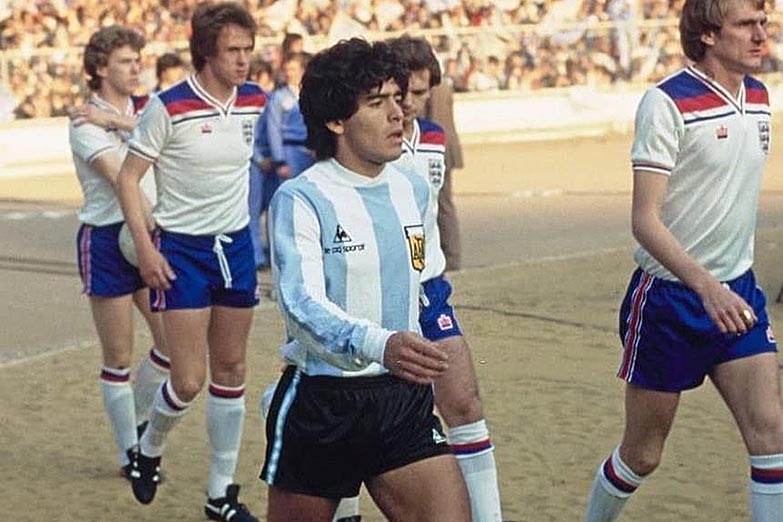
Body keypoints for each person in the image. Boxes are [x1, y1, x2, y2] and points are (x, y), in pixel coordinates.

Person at [585, 1, 783, 520]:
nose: (761, 34)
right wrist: (705, 287)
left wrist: (724, 287)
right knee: (643, 455)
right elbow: (644, 220)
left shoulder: (759, 97)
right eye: (747, 25)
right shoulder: (666, 102)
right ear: (708, 35)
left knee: (771, 437)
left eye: (763, 23)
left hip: (738, 294)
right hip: (670, 302)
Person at [260, 37, 471, 522]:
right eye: (376, 103)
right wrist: (380, 343)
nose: (398, 113)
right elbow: (301, 304)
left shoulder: (413, 186)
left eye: (398, 98)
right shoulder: (301, 198)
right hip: (324, 403)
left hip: (401, 398)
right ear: (336, 120)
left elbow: (425, 280)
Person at [116, 3, 265, 521]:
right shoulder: (169, 107)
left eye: (248, 49)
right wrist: (146, 248)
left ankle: (220, 494)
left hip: (237, 248)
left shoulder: (255, 101)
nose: (243, 60)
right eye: (232, 50)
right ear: (205, 52)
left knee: (233, 368)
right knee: (186, 381)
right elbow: (128, 179)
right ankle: (149, 447)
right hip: (181, 252)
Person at [68, 25, 169, 481]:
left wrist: (123, 124)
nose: (136, 68)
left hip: (147, 233)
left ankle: (139, 417)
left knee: (171, 347)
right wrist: (153, 230)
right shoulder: (83, 123)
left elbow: (173, 145)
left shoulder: (147, 110)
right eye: (125, 61)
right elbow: (117, 176)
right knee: (119, 356)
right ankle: (131, 453)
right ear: (100, 68)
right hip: (110, 239)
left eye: (137, 60)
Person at [425, 72, 463, 272]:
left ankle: (451, 257)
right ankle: (452, 256)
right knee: (445, 203)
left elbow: (433, 121)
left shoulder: (429, 89)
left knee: (441, 204)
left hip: (435, 148)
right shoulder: (444, 86)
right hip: (446, 146)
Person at [265, 52, 314, 182]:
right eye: (286, 70)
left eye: (293, 69)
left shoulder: (311, 93)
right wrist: (279, 160)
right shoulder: (279, 97)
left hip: (311, 152)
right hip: (290, 152)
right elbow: (274, 129)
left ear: (302, 70)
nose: (289, 73)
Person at [248, 58, 276, 270]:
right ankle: (256, 255)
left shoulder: (271, 99)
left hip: (274, 159)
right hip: (256, 162)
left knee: (274, 208)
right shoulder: (247, 102)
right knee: (254, 210)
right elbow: (246, 135)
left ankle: (270, 252)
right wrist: (258, 159)